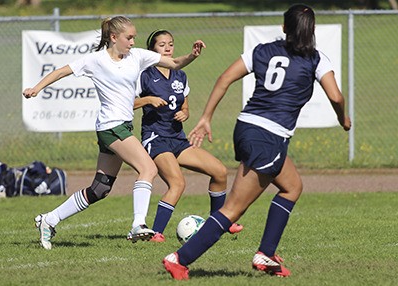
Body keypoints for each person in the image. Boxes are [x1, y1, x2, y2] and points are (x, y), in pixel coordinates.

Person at [162, 4, 351, 280]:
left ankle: (266, 253)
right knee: (233, 209)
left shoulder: (263, 50)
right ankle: (179, 258)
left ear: (284, 27)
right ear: (312, 31)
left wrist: (206, 117)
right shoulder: (316, 59)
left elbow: (225, 77)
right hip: (268, 136)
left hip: (247, 127)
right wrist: (343, 118)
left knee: (292, 186)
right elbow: (335, 96)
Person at [22, 16, 205, 250]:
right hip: (111, 126)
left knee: (100, 189)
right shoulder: (95, 60)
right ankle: (138, 225)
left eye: (134, 37)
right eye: (129, 37)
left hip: (122, 127)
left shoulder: (137, 56)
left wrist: (192, 55)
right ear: (113, 37)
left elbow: (175, 63)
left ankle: (49, 219)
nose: (132, 41)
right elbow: (61, 71)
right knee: (148, 169)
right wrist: (36, 88)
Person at [134, 30, 243, 243]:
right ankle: (155, 233)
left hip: (178, 139)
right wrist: (147, 100)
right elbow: (126, 103)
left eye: (170, 44)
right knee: (177, 183)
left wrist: (185, 113)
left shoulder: (180, 75)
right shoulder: (144, 75)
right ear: (152, 50)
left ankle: (219, 223)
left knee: (220, 172)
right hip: (156, 138)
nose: (167, 48)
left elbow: (185, 105)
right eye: (162, 44)